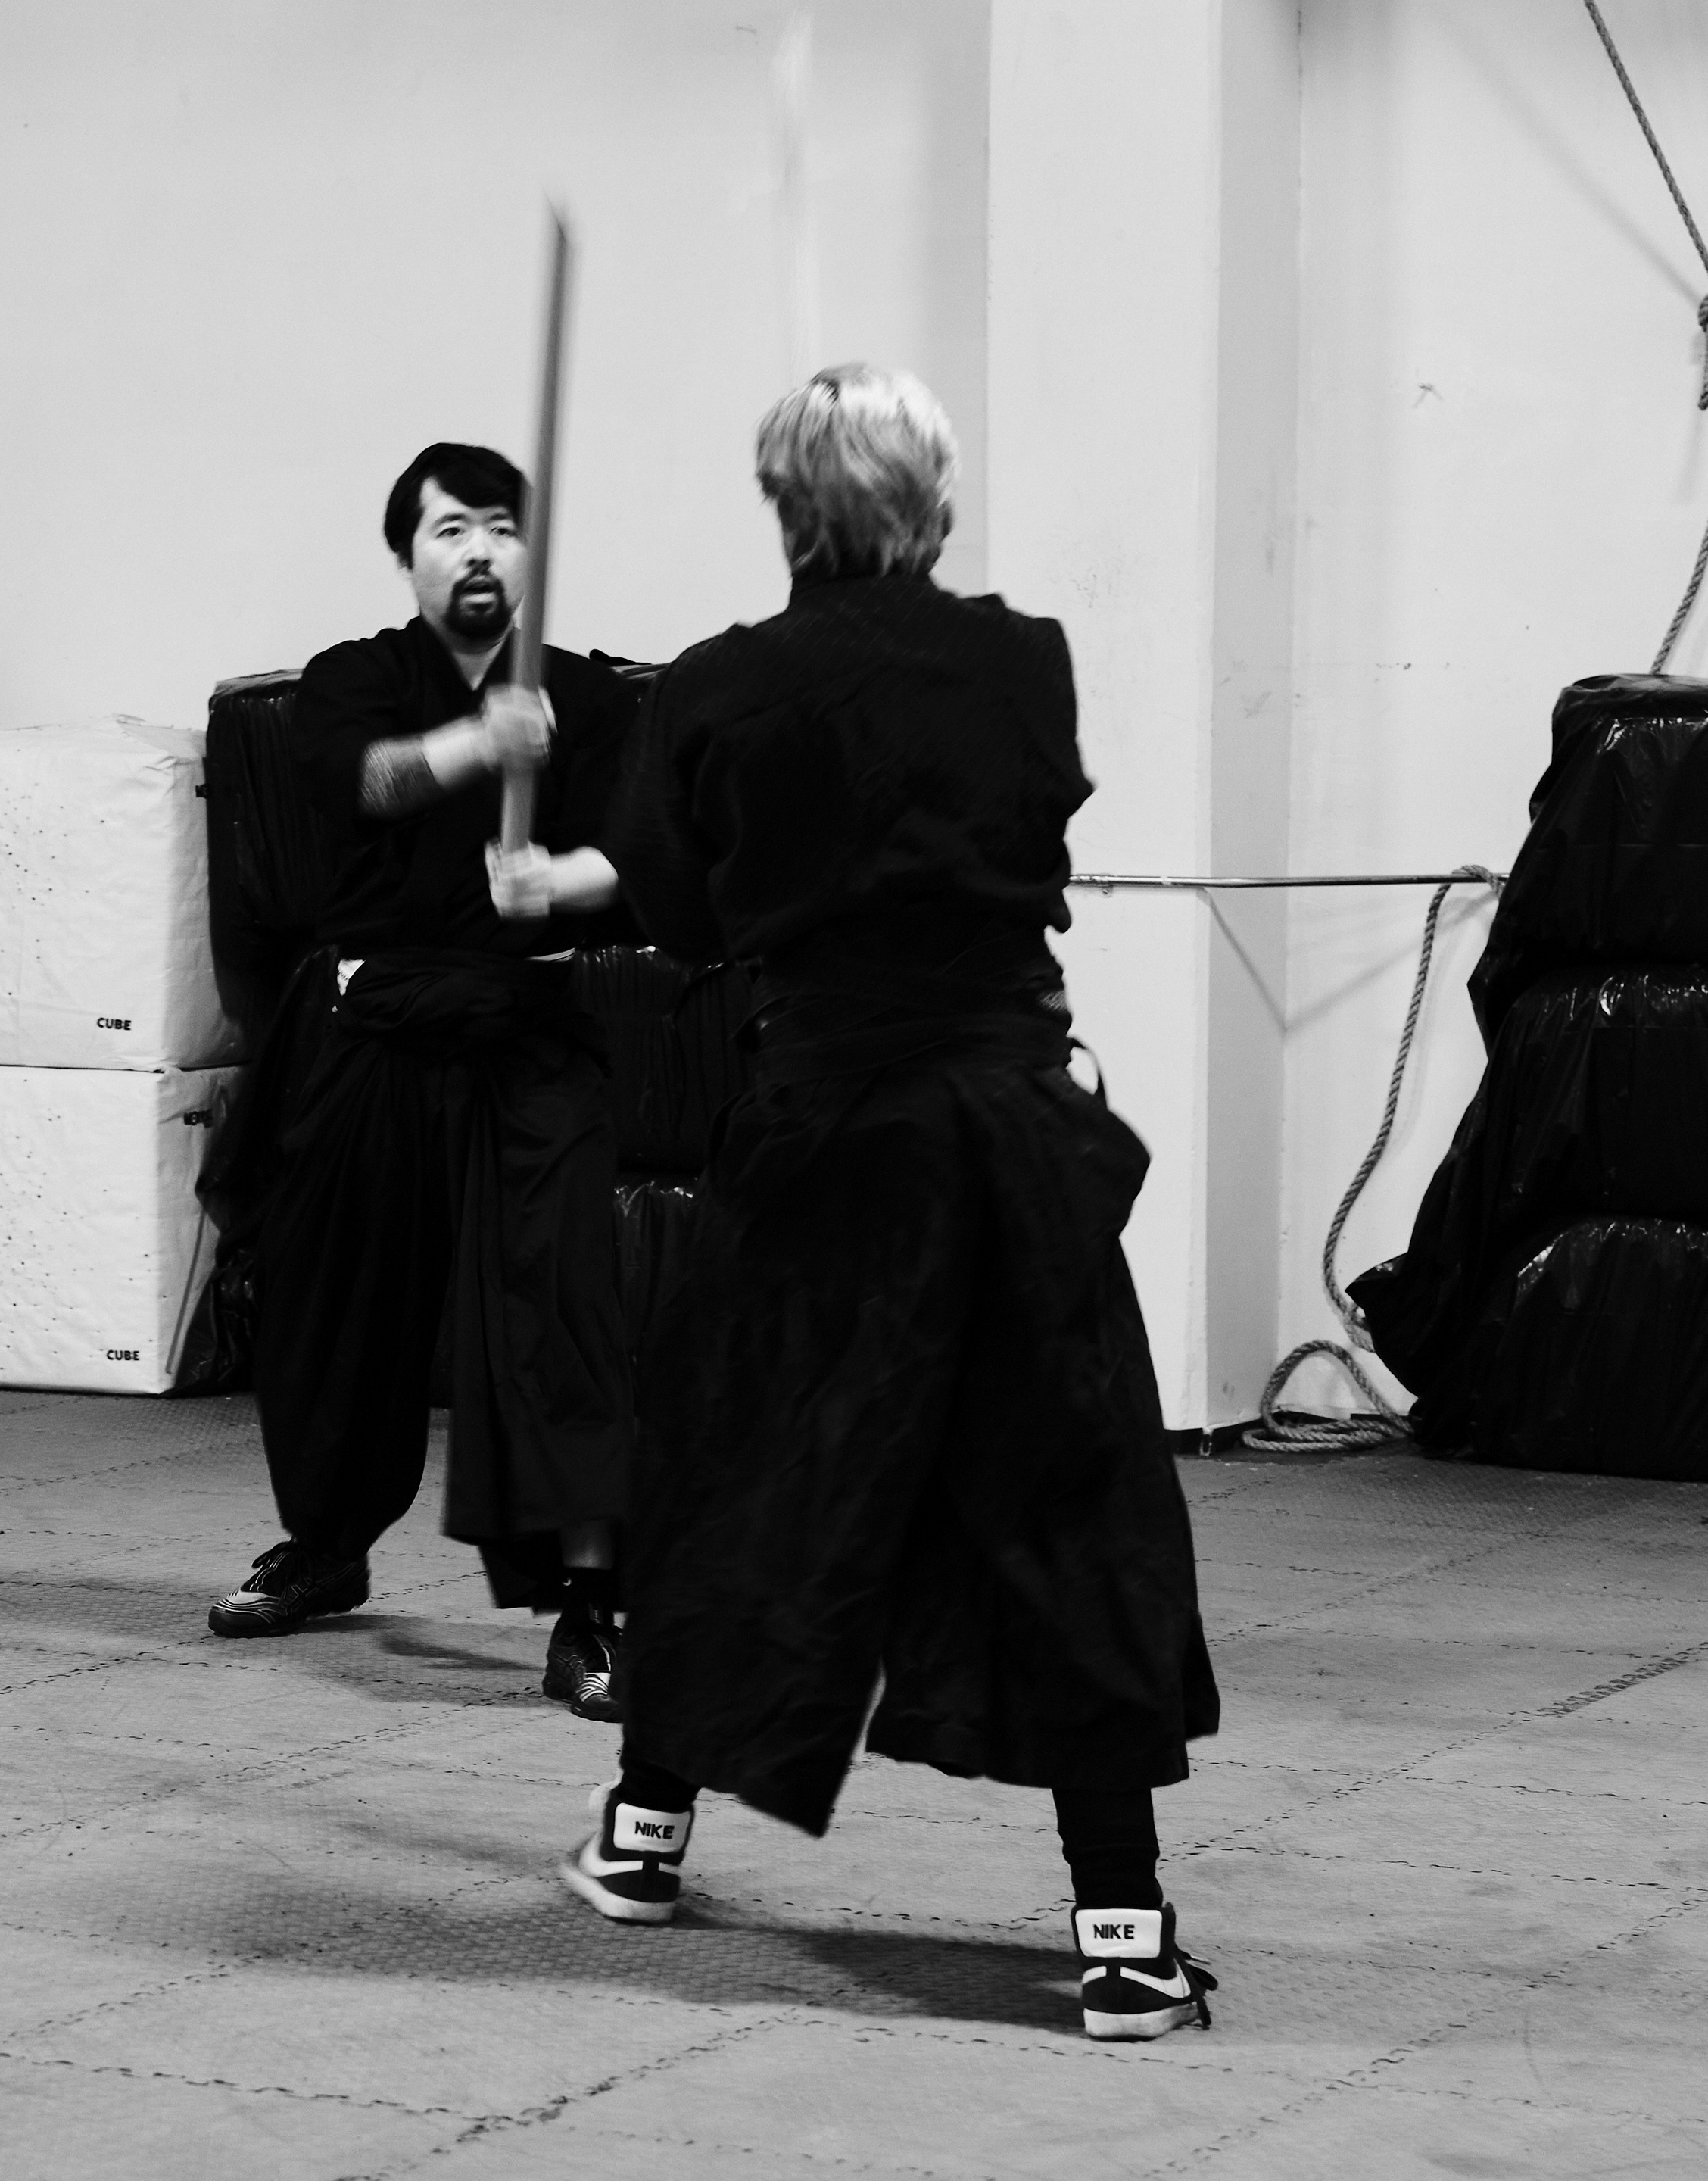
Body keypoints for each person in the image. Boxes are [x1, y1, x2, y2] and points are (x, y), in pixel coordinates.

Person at [550, 367, 1223, 2042]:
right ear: (935, 501)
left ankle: (642, 1842)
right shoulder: (1024, 659)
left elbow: (685, 913)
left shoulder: (713, 688)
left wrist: (554, 869)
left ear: (785, 508)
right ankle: (1123, 1936)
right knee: (1062, 1497)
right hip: (1003, 1131)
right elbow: (1019, 825)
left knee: (744, 1476)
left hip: (825, 1136)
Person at [201, 442, 640, 1721]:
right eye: (450, 530)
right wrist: (477, 743)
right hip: (376, 1026)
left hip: (527, 1027)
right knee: (334, 1300)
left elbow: (649, 850)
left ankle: (590, 1606)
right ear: (408, 557)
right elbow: (364, 781)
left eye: (501, 526)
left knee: (558, 1310)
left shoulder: (588, 697)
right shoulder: (354, 681)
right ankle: (327, 1546)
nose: (479, 549)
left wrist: (569, 881)